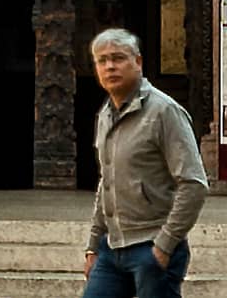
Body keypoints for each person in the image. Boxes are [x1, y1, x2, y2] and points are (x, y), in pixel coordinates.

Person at [83, 23, 208, 298]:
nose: (110, 67)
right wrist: (93, 245)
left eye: (118, 58)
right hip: (111, 248)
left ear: (137, 62)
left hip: (150, 246)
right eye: (102, 61)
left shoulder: (164, 112)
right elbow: (107, 182)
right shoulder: (106, 114)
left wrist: (165, 245)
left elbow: (194, 183)